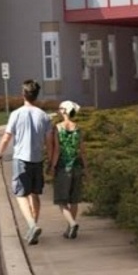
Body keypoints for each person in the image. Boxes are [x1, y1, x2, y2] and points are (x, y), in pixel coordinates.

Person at [0, 79, 53, 245]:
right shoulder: (44, 116)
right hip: (38, 159)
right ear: (36, 95)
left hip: (21, 159)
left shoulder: (16, 114)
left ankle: (32, 226)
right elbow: (49, 141)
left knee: (20, 194)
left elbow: (7, 137)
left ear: (23, 94)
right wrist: (50, 160)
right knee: (35, 193)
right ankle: (33, 227)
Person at [48, 100, 85, 239]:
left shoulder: (58, 128)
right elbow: (82, 150)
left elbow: (57, 149)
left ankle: (72, 223)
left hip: (63, 167)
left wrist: (52, 166)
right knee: (74, 200)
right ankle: (70, 228)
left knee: (61, 201)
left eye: (60, 108)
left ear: (65, 111)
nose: (58, 110)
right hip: (76, 166)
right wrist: (86, 168)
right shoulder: (78, 128)